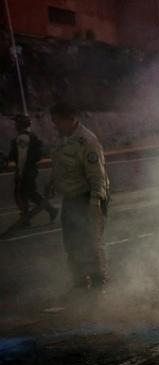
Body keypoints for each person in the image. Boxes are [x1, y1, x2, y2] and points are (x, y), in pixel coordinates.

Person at [48, 102, 110, 293]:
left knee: (90, 241)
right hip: (72, 198)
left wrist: (95, 203)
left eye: (57, 121)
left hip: (88, 197)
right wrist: (52, 182)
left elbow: (97, 176)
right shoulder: (64, 139)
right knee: (72, 242)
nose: (54, 125)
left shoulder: (87, 141)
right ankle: (80, 281)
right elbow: (61, 165)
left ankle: (99, 282)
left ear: (69, 118)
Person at [7, 115, 57, 225]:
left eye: (16, 123)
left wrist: (20, 172)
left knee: (26, 193)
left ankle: (48, 210)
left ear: (20, 125)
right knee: (25, 193)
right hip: (30, 169)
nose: (14, 125)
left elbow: (22, 157)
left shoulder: (23, 138)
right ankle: (27, 216)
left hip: (25, 169)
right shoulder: (30, 137)